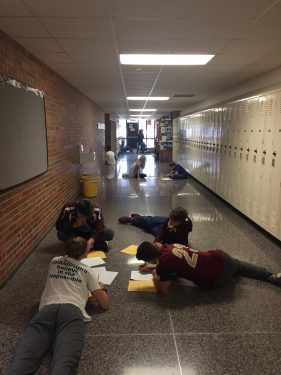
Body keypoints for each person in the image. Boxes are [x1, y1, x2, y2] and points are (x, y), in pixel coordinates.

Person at [7, 237, 109, 374]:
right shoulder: (88, 270)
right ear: (86, 251)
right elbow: (105, 304)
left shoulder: (54, 261)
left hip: (47, 309)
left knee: (25, 356)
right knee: (64, 361)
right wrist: (100, 288)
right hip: (71, 311)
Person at [136, 242, 281, 294]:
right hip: (221, 257)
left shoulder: (165, 265)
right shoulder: (168, 246)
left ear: (149, 258)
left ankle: (270, 277)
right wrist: (154, 266)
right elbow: (174, 262)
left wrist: (155, 274)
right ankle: (271, 276)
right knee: (236, 264)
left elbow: (164, 290)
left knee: (233, 269)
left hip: (217, 277)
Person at [118, 207, 192, 246]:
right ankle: (133, 219)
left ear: (180, 222)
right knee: (151, 220)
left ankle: (138, 219)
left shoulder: (186, 226)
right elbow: (163, 228)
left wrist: (157, 243)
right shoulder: (171, 220)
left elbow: (180, 243)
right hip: (164, 226)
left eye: (172, 222)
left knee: (150, 228)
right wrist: (155, 242)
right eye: (170, 219)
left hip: (167, 236)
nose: (170, 222)